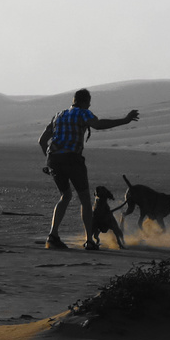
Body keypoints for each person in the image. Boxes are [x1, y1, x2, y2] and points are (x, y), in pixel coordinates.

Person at [38, 88, 139, 250]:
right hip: (72, 158)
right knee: (85, 198)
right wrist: (124, 120)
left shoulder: (59, 115)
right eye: (89, 102)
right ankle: (89, 240)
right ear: (85, 102)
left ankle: (53, 235)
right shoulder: (83, 113)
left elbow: (42, 141)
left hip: (54, 159)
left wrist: (48, 162)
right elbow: (98, 125)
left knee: (65, 196)